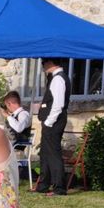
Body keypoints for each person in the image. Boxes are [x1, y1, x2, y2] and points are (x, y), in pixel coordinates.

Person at [34, 58, 70, 196]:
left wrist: (49, 121)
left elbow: (58, 104)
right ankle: (43, 184)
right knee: (45, 152)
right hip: (51, 120)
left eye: (44, 63)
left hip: (54, 121)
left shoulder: (58, 79)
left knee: (53, 154)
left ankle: (59, 187)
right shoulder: (55, 78)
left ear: (50, 63)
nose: (43, 66)